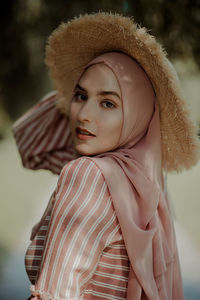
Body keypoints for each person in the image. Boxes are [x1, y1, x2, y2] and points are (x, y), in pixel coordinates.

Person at [12, 12, 200, 300]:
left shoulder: (87, 175)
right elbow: (33, 149)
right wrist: (73, 94)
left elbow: (54, 294)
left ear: (138, 115)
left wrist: (72, 95)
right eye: (80, 96)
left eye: (108, 103)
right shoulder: (145, 186)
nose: (84, 115)